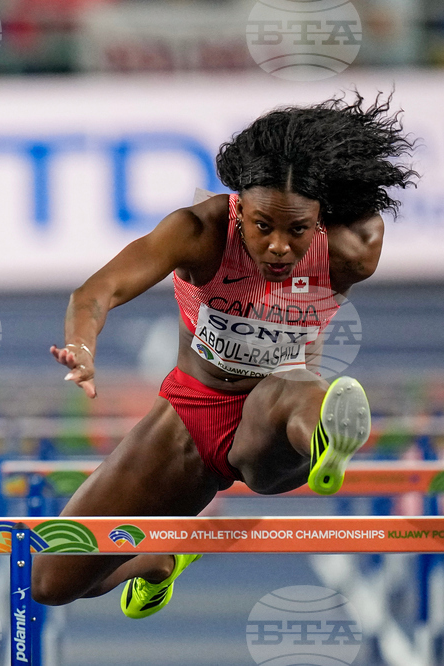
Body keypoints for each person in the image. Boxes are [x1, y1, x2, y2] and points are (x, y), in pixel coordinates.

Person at [33, 94, 417, 618]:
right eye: (264, 226)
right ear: (240, 209)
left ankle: (327, 438)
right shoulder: (198, 232)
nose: (279, 246)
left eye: (297, 230)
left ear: (321, 217)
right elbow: (96, 293)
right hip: (189, 415)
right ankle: (161, 561)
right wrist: (81, 341)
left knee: (293, 388)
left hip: (275, 418)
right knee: (53, 581)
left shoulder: (355, 247)